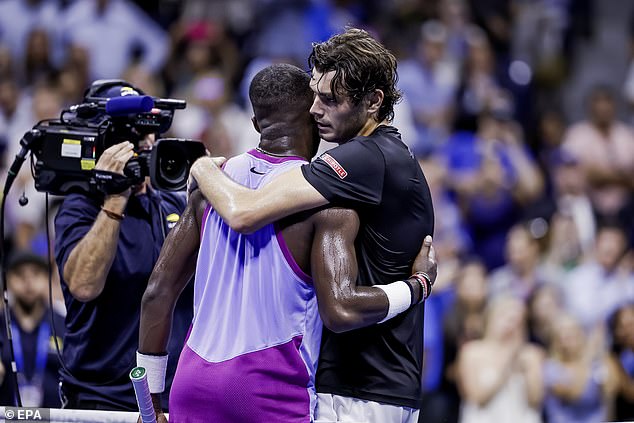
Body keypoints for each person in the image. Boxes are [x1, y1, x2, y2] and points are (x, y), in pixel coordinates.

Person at [137, 63, 437, 423]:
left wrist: (149, 399)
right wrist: (419, 285)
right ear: (314, 116)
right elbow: (340, 309)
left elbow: (157, 292)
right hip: (270, 392)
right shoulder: (327, 204)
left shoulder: (210, 189)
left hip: (192, 385)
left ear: (254, 125)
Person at [53, 81, 193, 411]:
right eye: (132, 135)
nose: (146, 143)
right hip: (100, 398)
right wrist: (115, 197)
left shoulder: (174, 205)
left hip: (171, 397)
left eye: (150, 132)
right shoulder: (81, 205)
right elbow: (84, 286)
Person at [0, 251, 65, 407]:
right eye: (20, 274)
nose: (28, 282)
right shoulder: (1, 322)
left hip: (55, 417)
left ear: (47, 279)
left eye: (36, 274)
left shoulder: (63, 323)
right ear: (7, 280)